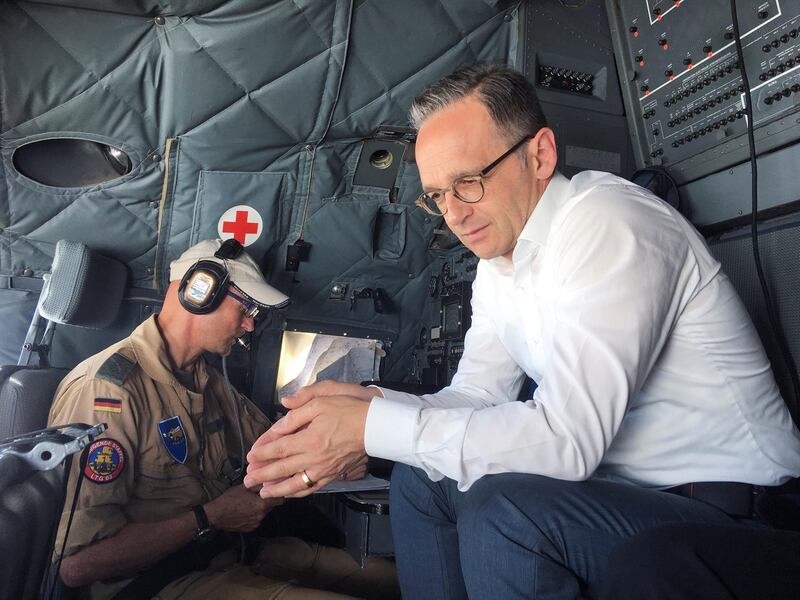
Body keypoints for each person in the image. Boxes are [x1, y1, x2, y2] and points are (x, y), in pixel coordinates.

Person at [243, 63, 800, 598]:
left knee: (505, 511)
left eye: (469, 182)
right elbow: (478, 396)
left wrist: (371, 432)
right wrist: (370, 404)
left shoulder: (609, 222)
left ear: (539, 155)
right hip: (625, 497)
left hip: (729, 510)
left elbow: (569, 439)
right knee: (420, 480)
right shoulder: (498, 268)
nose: (454, 214)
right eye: (437, 195)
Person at [48, 238, 399, 600]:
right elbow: (79, 565)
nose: (249, 325)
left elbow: (272, 444)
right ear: (200, 291)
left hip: (226, 554)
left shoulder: (207, 380)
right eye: (246, 309)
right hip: (156, 582)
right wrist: (211, 517)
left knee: (390, 579)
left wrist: (344, 447)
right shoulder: (107, 391)